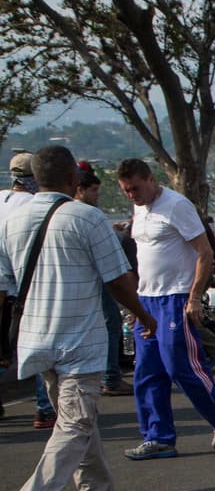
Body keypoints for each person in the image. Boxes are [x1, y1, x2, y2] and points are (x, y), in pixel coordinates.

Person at [2, 146, 157, 491]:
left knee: (76, 421)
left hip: (35, 340)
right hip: (78, 341)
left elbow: (4, 288)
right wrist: (144, 316)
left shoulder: (10, 221)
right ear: (73, 179)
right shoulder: (87, 217)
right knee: (74, 423)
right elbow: (119, 282)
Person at [116, 158, 215, 460]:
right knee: (146, 372)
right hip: (147, 300)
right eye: (126, 191)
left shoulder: (176, 205)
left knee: (181, 368)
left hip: (175, 299)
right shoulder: (139, 209)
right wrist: (136, 305)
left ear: (151, 179)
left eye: (135, 188)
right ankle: (158, 438)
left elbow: (204, 252)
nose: (131, 195)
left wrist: (194, 297)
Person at [1, 151, 58, 427]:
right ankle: (45, 407)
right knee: (37, 347)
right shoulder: (35, 205)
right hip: (22, 288)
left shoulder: (1, 199)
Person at [72, 163, 131, 396]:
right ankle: (111, 377)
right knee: (111, 323)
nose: (97, 195)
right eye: (94, 190)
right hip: (96, 280)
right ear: (80, 190)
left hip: (82, 283)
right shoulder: (88, 214)